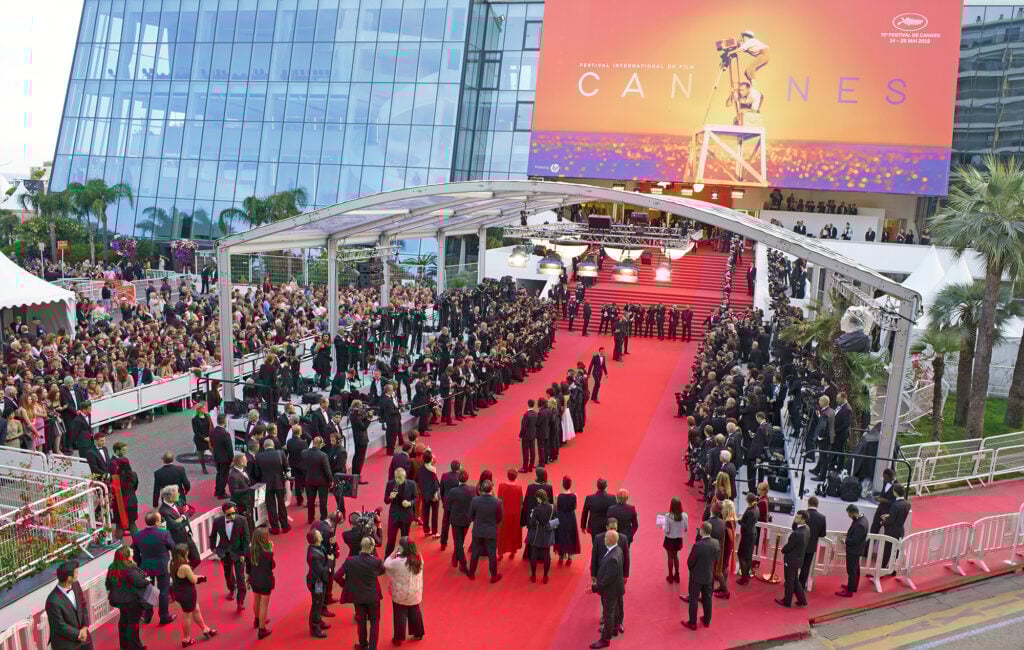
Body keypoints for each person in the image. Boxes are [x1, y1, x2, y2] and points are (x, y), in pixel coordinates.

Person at [337, 536, 386, 650]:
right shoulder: (376, 561)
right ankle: (373, 647)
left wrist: (345, 584)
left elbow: (337, 576)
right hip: (373, 597)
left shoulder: (350, 560)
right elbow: (382, 571)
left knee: (361, 621)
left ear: (361, 546)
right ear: (372, 548)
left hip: (358, 597)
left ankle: (363, 645)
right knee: (374, 621)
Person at [131, 511, 176, 626]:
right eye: (160, 519)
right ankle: (164, 617)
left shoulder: (137, 536)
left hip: (145, 567)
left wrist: (141, 565)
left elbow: (135, 554)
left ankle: (147, 615)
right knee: (163, 592)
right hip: (162, 566)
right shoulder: (164, 534)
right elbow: (173, 548)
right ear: (156, 522)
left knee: (147, 592)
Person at [105, 544, 151, 650]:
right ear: (126, 555)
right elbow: (139, 582)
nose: (132, 550)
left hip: (119, 601)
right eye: (130, 550)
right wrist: (147, 581)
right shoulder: (129, 569)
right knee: (133, 626)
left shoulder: (112, 567)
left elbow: (108, 584)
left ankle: (124, 646)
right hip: (132, 601)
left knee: (123, 623)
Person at [170, 543, 216, 646]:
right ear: (184, 554)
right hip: (187, 594)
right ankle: (186, 639)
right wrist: (200, 577)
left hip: (178, 591)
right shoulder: (185, 567)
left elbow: (179, 577)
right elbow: (193, 580)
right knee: (187, 616)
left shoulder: (170, 563)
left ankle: (205, 629)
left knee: (196, 609)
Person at [208, 501, 250, 613]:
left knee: (241, 577)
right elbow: (212, 536)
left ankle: (240, 602)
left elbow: (246, 539)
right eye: (229, 514)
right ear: (224, 513)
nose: (232, 516)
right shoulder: (217, 522)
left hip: (238, 553)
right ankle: (232, 589)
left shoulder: (242, 520)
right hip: (224, 552)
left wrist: (244, 554)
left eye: (233, 513)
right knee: (228, 573)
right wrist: (213, 548)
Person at [384, 537, 426, 645]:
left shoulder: (398, 562)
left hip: (400, 594)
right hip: (415, 592)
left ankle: (398, 639)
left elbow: (386, 564)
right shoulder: (419, 558)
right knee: (415, 611)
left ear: (401, 549)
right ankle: (418, 633)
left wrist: (394, 552)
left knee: (400, 614)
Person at [46, 560, 93, 650]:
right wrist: (78, 634)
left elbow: (83, 605)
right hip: (66, 644)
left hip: (84, 637)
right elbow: (60, 626)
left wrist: (84, 627)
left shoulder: (76, 584)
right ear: (69, 578)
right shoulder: (52, 601)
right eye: (76, 573)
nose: (78, 574)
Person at [590, 530, 625, 649]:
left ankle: (605, 639)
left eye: (605, 538)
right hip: (615, 588)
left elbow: (608, 579)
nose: (604, 540)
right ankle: (613, 629)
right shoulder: (618, 549)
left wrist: (595, 588)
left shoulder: (613, 558)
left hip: (611, 590)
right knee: (614, 611)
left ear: (609, 541)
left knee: (608, 614)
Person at [681, 522, 719, 631]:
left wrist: (693, 571)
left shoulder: (698, 545)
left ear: (702, 531)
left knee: (694, 599)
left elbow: (690, 562)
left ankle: (692, 623)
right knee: (707, 598)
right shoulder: (716, 543)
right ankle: (707, 620)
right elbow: (716, 558)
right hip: (709, 576)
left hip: (696, 577)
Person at [468, 479, 503, 583]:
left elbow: (471, 516)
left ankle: (471, 573)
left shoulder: (475, 500)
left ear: (481, 489)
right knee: (492, 554)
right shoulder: (497, 502)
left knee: (475, 552)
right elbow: (499, 518)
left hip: (478, 530)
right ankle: (493, 576)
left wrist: (478, 522)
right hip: (491, 531)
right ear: (491, 489)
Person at [253, 438, 289, 534]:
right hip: (279, 483)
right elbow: (286, 468)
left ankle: (275, 528)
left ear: (264, 446)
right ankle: (285, 526)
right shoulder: (280, 453)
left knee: (270, 506)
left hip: (266, 484)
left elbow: (257, 474)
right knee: (282, 505)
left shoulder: (258, 456)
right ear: (273, 445)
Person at [776, 510, 809, 608]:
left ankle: (787, 601)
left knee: (789, 581)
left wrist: (783, 550)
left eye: (798, 518)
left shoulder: (797, 534)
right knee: (795, 580)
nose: (795, 519)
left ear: (803, 520)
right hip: (799, 559)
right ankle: (802, 600)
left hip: (791, 560)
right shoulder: (807, 529)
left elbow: (788, 547)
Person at [249, 525, 276, 638]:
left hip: (254, 579)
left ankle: (257, 619)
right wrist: (271, 551)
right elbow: (272, 566)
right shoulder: (267, 554)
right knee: (264, 604)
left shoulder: (250, 550)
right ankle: (262, 629)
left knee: (256, 600)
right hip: (265, 580)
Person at [385, 467, 419, 557]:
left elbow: (415, 498)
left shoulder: (412, 484)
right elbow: (386, 501)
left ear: (405, 476)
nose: (397, 480)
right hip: (394, 516)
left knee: (404, 539)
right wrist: (390, 497)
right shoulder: (390, 484)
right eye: (396, 477)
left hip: (406, 515)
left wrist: (409, 503)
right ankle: (386, 560)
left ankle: (404, 558)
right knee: (391, 540)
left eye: (400, 477)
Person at [837, 504, 869, 597]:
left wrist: (845, 541)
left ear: (853, 513)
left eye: (849, 514)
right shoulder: (862, 519)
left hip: (854, 551)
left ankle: (849, 591)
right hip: (857, 550)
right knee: (855, 569)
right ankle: (853, 586)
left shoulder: (860, 524)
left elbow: (855, 540)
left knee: (851, 571)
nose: (849, 517)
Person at [305, 528, 331, 639]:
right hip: (317, 584)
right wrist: (329, 562)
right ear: (316, 539)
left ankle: (318, 621)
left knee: (319, 603)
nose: (321, 533)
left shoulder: (317, 547)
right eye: (319, 533)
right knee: (317, 603)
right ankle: (314, 627)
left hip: (319, 582)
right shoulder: (314, 555)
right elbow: (321, 571)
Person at [799, 496, 828, 591]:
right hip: (811, 545)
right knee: (806, 567)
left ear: (808, 503)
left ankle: (791, 582)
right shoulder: (822, 517)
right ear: (817, 505)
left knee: (795, 565)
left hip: (800, 544)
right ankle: (801, 585)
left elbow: (796, 527)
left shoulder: (802, 514)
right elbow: (823, 534)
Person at [527, 490, 556, 583]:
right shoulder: (552, 507)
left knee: (534, 554)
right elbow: (556, 519)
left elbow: (531, 524)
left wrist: (533, 517)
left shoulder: (536, 509)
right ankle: (545, 576)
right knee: (547, 555)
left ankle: (533, 575)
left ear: (539, 498)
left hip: (537, 534)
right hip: (548, 533)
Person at [303, 436, 333, 524]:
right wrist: (331, 480)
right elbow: (327, 470)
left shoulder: (304, 453)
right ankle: (323, 519)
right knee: (323, 501)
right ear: (320, 444)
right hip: (322, 481)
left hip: (310, 480)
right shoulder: (323, 455)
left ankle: (310, 518)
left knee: (310, 500)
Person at [881, 484, 911, 572]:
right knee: (896, 552)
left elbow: (891, 521)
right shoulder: (907, 504)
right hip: (900, 530)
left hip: (891, 531)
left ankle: (882, 570)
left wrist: (883, 522)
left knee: (887, 551)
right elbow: (899, 516)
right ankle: (893, 570)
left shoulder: (895, 505)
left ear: (895, 492)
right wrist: (889, 516)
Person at [497, 468, 524, 560]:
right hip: (515, 514)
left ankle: (500, 554)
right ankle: (513, 551)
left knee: (502, 534)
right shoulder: (519, 488)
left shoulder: (501, 486)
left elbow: (498, 500)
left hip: (503, 514)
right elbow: (521, 502)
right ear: (516, 477)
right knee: (513, 532)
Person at [554, 475, 582, 565]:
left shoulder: (558, 496)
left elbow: (555, 508)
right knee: (571, 535)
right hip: (571, 518)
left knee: (560, 535)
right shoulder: (575, 496)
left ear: (563, 485)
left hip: (560, 517)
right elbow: (575, 507)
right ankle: (569, 557)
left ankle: (561, 557)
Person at [661, 497, 687, 583]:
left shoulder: (668, 516)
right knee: (676, 556)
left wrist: (662, 526)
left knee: (670, 557)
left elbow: (667, 531)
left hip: (669, 539)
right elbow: (686, 529)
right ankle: (677, 575)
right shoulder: (684, 515)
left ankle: (670, 576)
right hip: (678, 539)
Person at [416, 450, 441, 538]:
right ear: (431, 460)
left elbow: (418, 481)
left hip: (424, 495)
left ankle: (426, 530)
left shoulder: (420, 470)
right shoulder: (433, 470)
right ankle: (435, 532)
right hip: (433, 496)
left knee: (425, 512)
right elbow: (435, 485)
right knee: (434, 513)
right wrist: (435, 495)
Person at [737, 492, 759, 585]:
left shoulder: (751, 511)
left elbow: (747, 526)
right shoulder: (756, 508)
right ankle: (746, 576)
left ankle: (744, 578)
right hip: (752, 534)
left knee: (741, 555)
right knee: (748, 556)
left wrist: (739, 522)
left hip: (748, 536)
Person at [210, 414, 234, 498]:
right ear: (224, 421)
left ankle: (217, 490)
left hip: (217, 456)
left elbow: (212, 444)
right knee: (223, 476)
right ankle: (221, 493)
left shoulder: (212, 431)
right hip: (225, 459)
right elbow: (229, 449)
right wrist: (232, 460)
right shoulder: (225, 434)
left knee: (219, 474)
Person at [191, 403, 212, 475]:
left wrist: (210, 436)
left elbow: (211, 427)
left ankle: (219, 465)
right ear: (199, 410)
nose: (205, 409)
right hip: (200, 440)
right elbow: (196, 432)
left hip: (209, 438)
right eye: (203, 408)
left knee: (214, 452)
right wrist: (204, 438)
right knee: (201, 454)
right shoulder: (195, 419)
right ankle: (203, 467)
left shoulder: (207, 416)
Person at [519, 399, 538, 473]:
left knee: (525, 451)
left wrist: (520, 435)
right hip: (533, 434)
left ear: (528, 404)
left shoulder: (526, 415)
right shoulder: (536, 414)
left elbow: (524, 427)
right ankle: (531, 466)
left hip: (526, 436)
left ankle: (525, 467)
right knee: (532, 450)